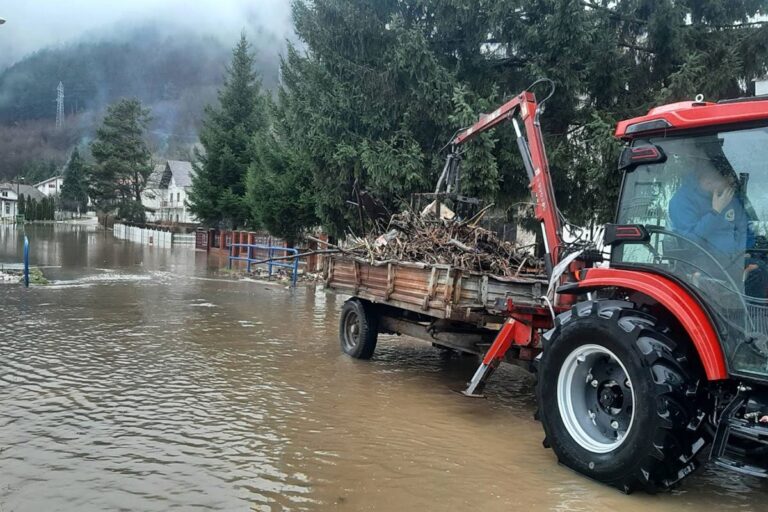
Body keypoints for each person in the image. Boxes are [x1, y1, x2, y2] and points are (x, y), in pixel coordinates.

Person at [669, 162, 767, 297]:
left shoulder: (729, 197)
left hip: (734, 257)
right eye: (726, 183)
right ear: (709, 181)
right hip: (703, 259)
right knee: (758, 272)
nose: (730, 186)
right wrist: (715, 212)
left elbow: (744, 229)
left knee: (761, 263)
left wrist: (744, 251)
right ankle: (750, 316)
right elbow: (690, 241)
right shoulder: (682, 201)